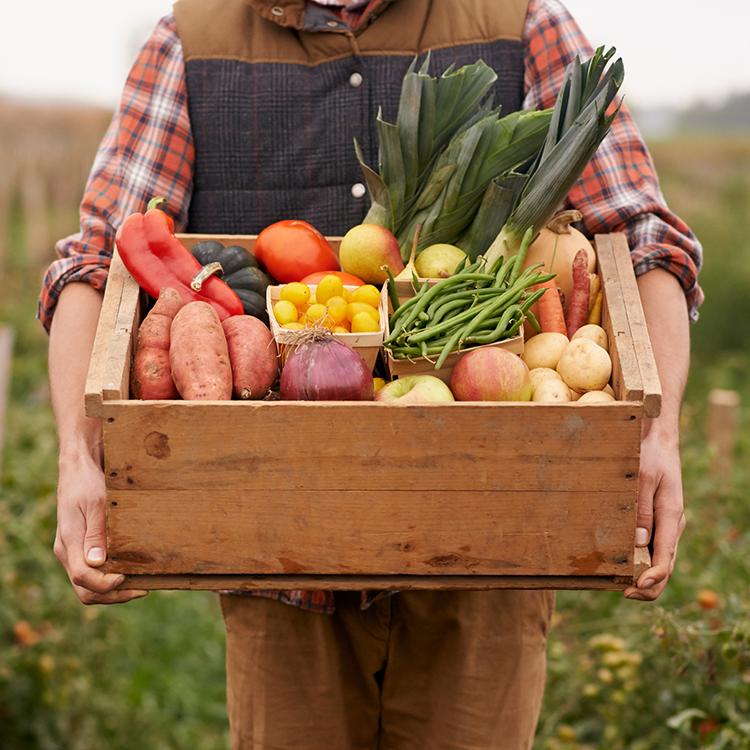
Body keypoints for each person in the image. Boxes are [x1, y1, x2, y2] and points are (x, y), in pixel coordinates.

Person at [40, 0, 702, 747]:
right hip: (275, 556)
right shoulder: (193, 38)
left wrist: (658, 433)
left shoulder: (523, 22)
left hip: (486, 552)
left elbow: (644, 242)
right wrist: (78, 456)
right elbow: (95, 264)